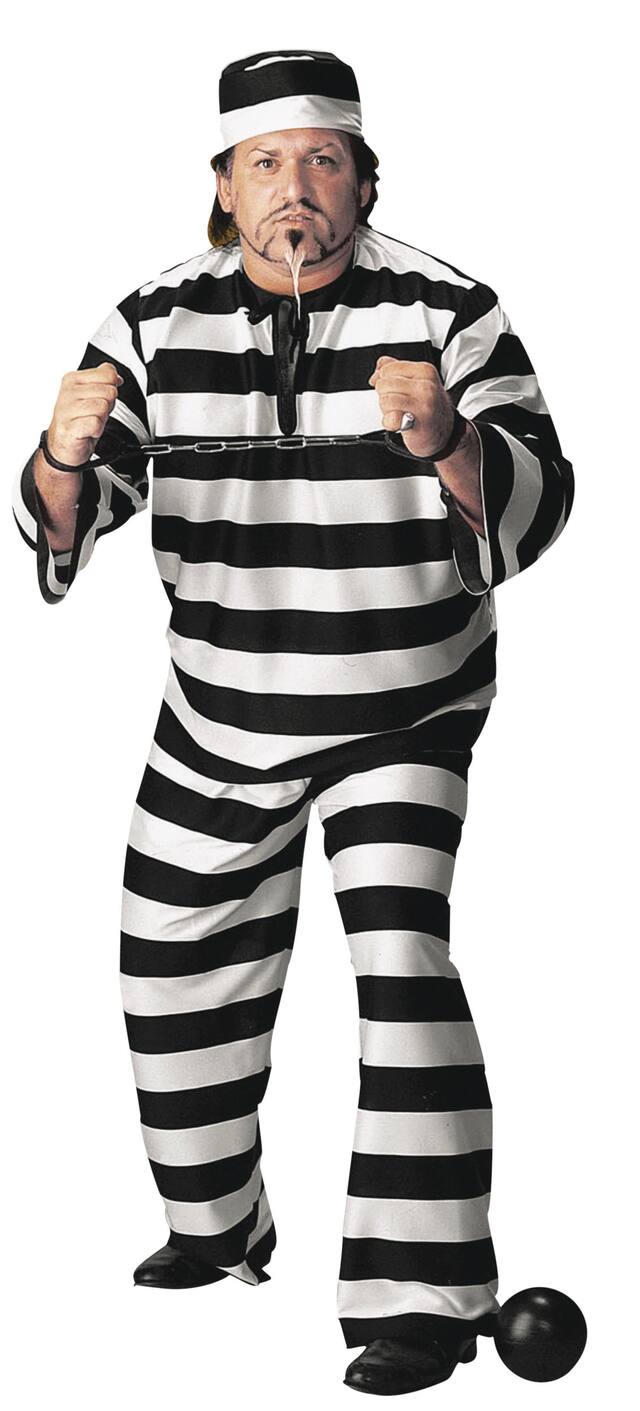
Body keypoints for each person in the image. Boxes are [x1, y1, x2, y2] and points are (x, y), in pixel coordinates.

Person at [12, 48, 574, 1396]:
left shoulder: (451, 309)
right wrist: (61, 456)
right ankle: (217, 1229)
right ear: (224, 185)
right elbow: (66, 520)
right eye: (266, 163)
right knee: (167, 964)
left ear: (365, 181)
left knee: (399, 954)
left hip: (406, 703)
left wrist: (447, 443)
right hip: (219, 705)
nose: (294, 188)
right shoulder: (150, 320)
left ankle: (424, 1298)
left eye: (323, 160)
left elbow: (543, 499)